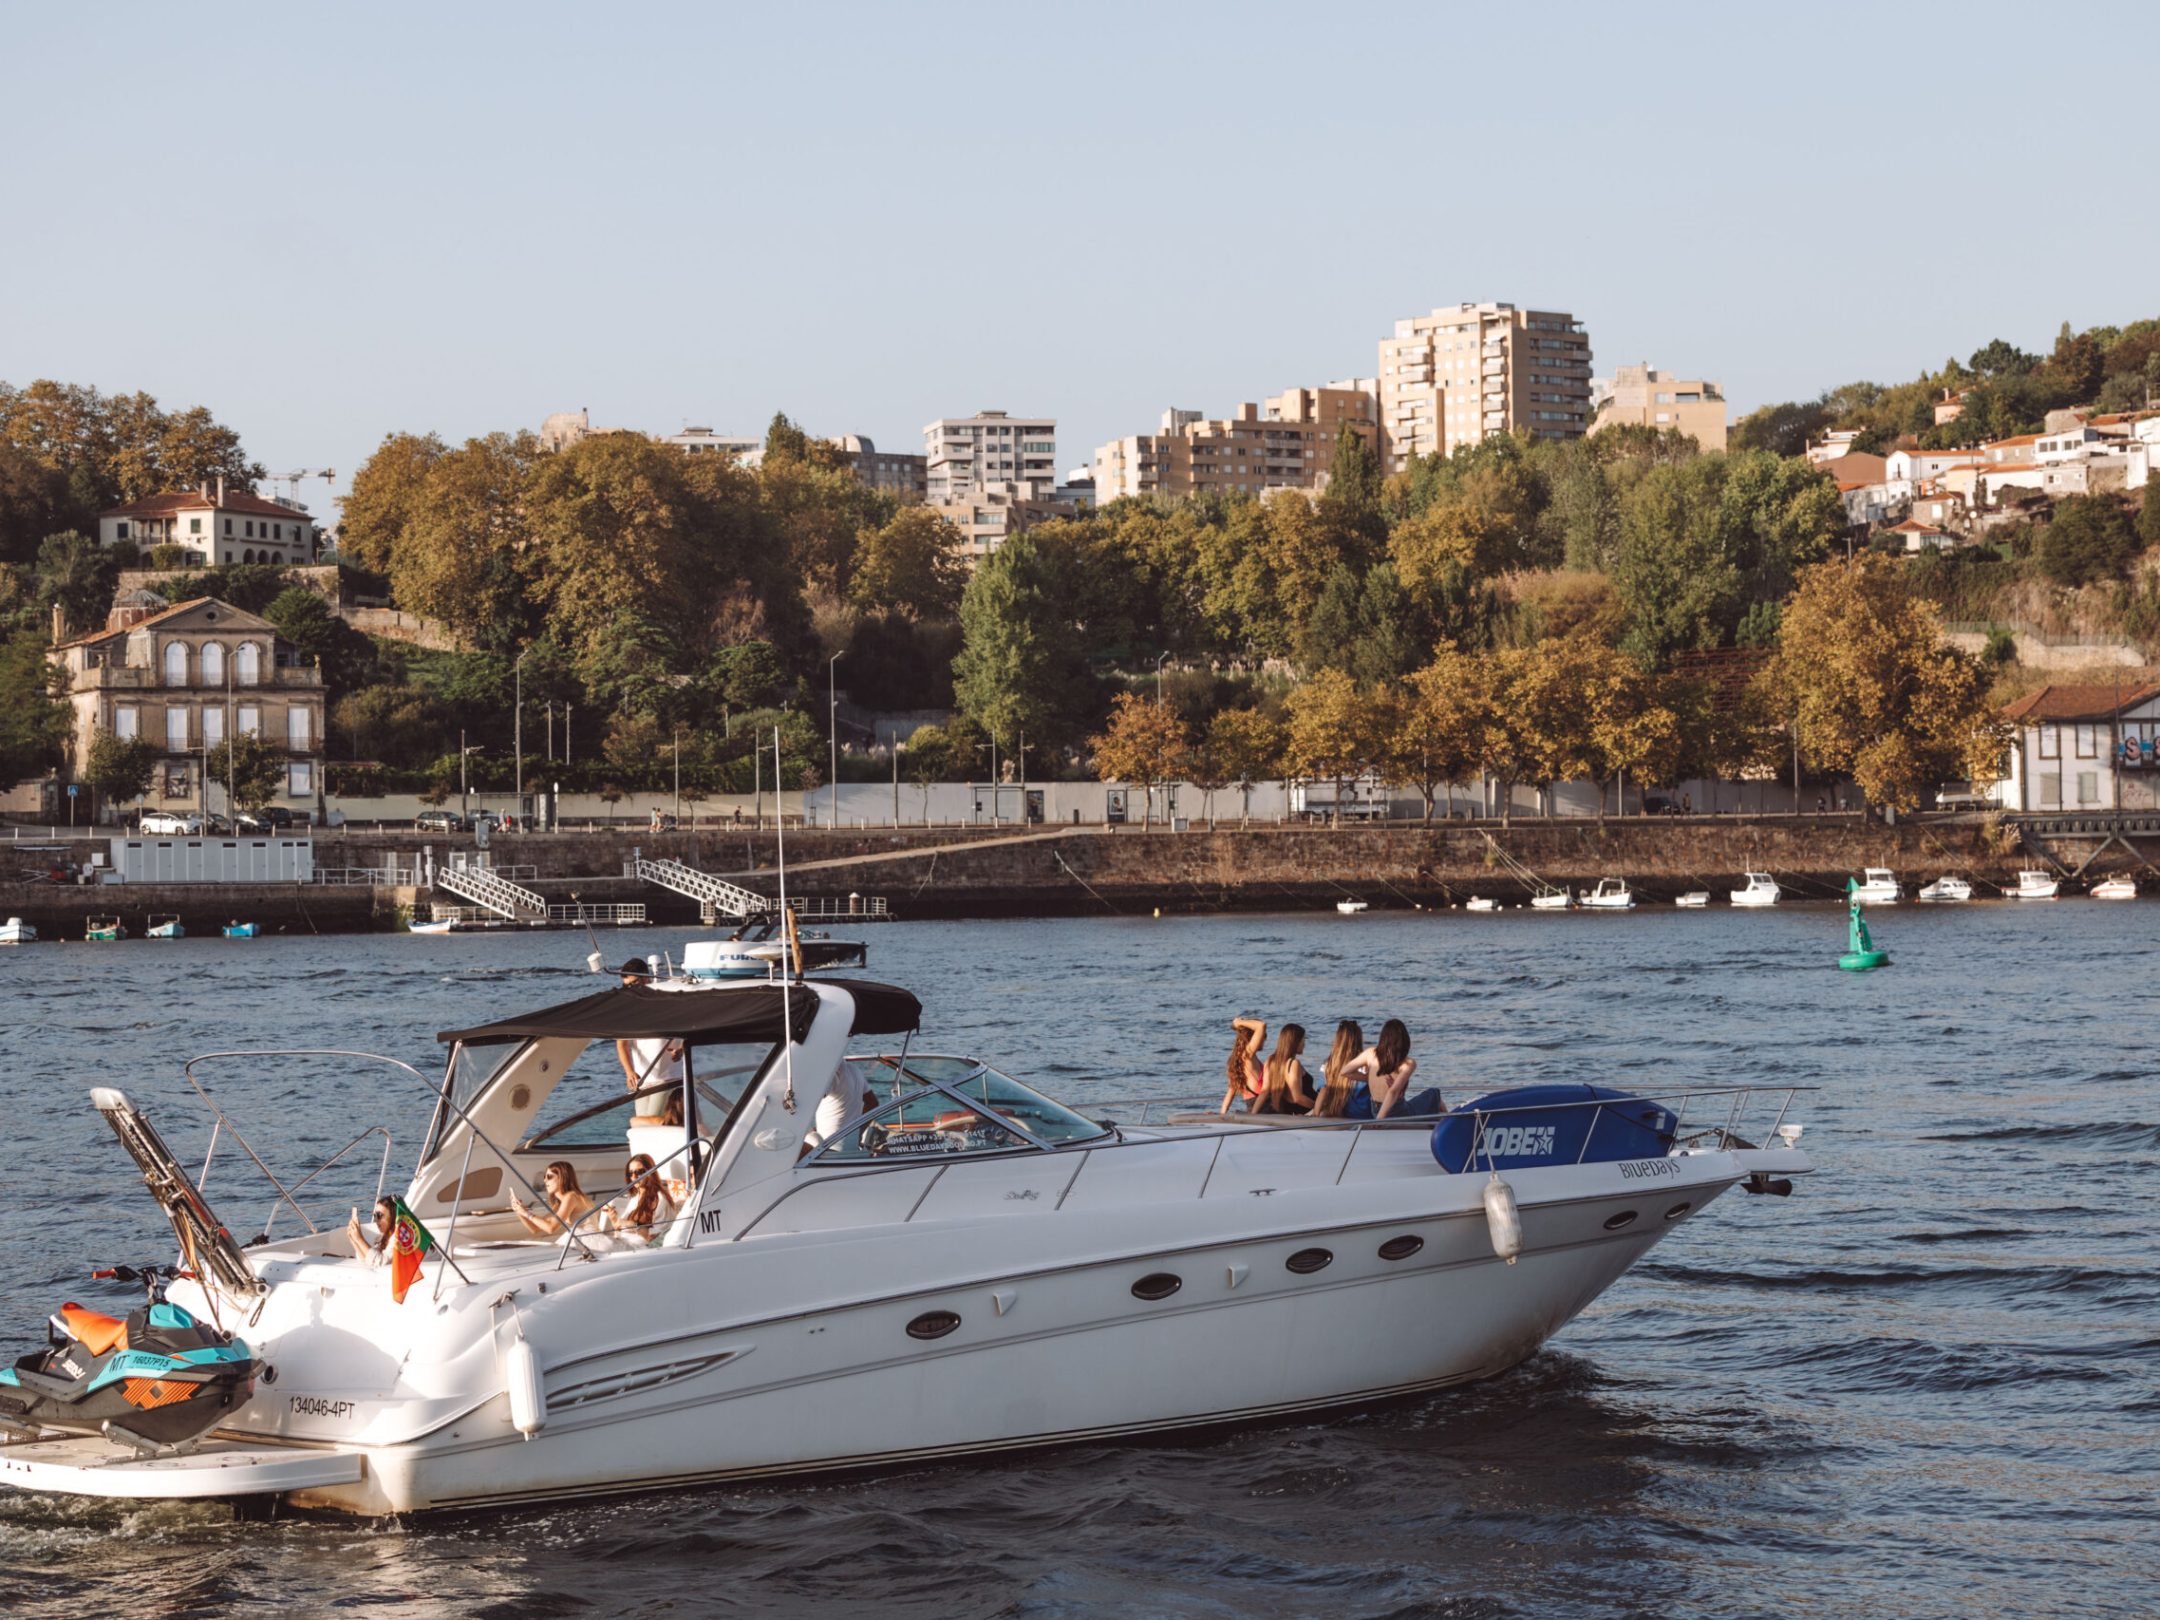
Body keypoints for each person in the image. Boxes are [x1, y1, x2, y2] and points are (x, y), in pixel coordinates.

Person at [615, 959, 685, 1125]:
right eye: (627, 986)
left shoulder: (668, 1002)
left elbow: (689, 1031)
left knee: (651, 1123)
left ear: (645, 978)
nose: (630, 989)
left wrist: (681, 1049)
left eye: (633, 984)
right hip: (642, 1081)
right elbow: (621, 1044)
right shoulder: (630, 1010)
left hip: (666, 1078)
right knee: (642, 1124)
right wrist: (629, 1072)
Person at [1358, 1018, 1445, 1119]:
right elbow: (1392, 1092)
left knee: (1426, 1101)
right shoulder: (1408, 1063)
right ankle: (1448, 1123)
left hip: (1375, 1110)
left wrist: (1368, 1078)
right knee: (1434, 1093)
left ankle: (1441, 1120)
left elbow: (1346, 1072)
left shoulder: (1372, 1055)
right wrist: (1378, 1121)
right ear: (1404, 1040)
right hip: (1396, 1113)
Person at [602, 1153, 677, 1247]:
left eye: (639, 1172)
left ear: (650, 1172)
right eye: (630, 1173)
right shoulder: (635, 1198)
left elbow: (657, 1238)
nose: (633, 1177)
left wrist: (632, 1225)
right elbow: (621, 1229)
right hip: (625, 1243)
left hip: (640, 1248)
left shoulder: (661, 1199)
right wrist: (614, 1219)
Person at [802, 1058, 873, 1156]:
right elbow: (872, 1104)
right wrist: (859, 1132)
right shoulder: (855, 1070)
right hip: (851, 1150)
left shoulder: (831, 1072)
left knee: (798, 1135)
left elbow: (807, 1101)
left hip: (829, 1152)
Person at [509, 1161, 596, 1238]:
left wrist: (525, 1213)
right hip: (580, 1239)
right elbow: (535, 1229)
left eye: (549, 1177)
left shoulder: (571, 1197)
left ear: (562, 1178)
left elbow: (551, 1228)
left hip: (590, 1240)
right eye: (544, 1177)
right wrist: (519, 1211)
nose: (545, 1180)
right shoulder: (559, 1204)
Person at [1310, 1020, 1367, 1117]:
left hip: (1340, 1116)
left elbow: (1324, 1091)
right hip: (1363, 1117)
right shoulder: (1366, 1065)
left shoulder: (1328, 1065)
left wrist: (1315, 1114)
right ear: (1358, 1039)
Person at [1255, 1024, 1314, 1114]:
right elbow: (1297, 1098)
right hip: (1304, 1111)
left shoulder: (1270, 1060)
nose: (1304, 1043)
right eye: (1303, 1039)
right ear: (1295, 1041)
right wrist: (1317, 1107)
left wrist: (1253, 1113)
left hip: (1288, 1111)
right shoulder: (1293, 1063)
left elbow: (1264, 1091)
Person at [1220, 1016, 1267, 1114]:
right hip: (1263, 1106)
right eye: (1264, 1036)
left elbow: (1231, 1091)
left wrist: (1222, 1114)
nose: (1264, 1039)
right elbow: (1261, 1025)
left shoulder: (1237, 1060)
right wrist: (1239, 1022)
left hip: (1251, 1106)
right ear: (1253, 1037)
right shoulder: (1248, 1054)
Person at [346, 1196, 395, 1265]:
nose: (375, 1220)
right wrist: (354, 1240)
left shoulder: (399, 1238)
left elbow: (380, 1262)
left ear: (393, 1217)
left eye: (379, 1215)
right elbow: (368, 1259)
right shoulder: (384, 1237)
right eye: (374, 1215)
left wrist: (360, 1239)